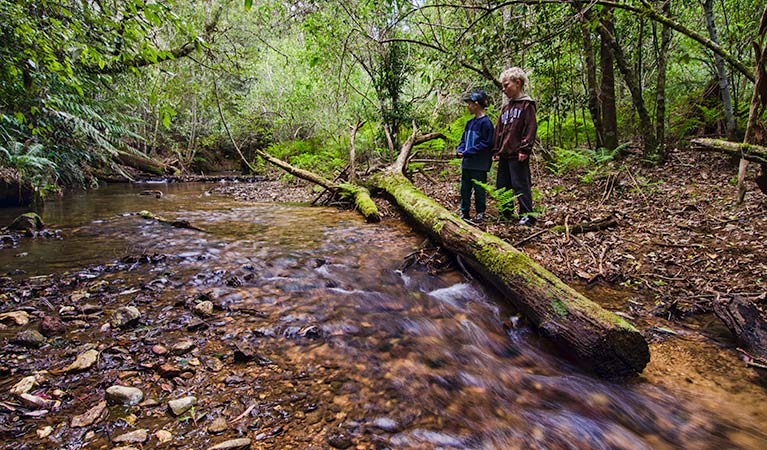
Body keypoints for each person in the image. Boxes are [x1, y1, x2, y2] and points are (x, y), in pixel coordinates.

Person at [492, 67, 538, 226]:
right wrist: (496, 149)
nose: (504, 90)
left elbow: (530, 127)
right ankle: (506, 212)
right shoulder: (506, 107)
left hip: (518, 153)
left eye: (506, 85)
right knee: (502, 185)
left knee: (520, 184)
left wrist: (525, 149)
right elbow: (499, 130)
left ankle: (527, 215)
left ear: (517, 83)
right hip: (504, 152)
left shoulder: (527, 105)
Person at [456, 89, 494, 223]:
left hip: (480, 164)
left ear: (476, 104)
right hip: (467, 163)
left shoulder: (486, 123)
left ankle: (480, 213)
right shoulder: (469, 123)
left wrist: (468, 152)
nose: (468, 106)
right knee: (464, 189)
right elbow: (463, 139)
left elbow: (486, 144)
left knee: (479, 189)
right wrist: (460, 150)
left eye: (470, 103)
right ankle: (464, 212)